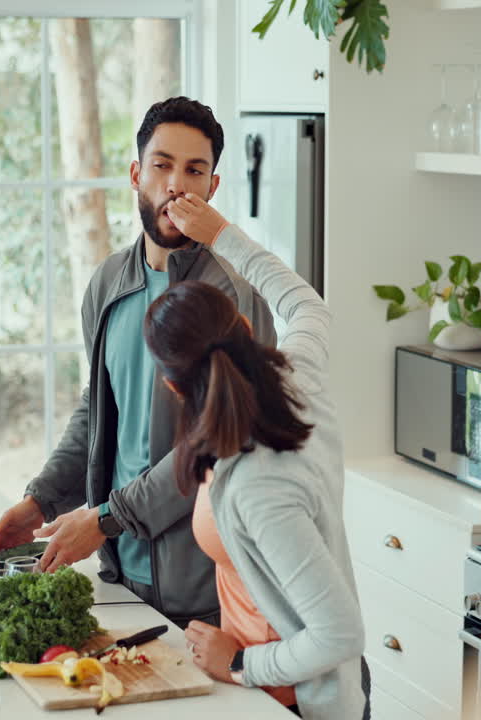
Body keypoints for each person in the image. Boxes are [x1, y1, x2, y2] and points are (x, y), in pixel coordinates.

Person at [0, 97, 276, 628]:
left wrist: (104, 518)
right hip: (121, 576)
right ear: (137, 174)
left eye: (194, 170)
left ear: (213, 189)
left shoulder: (233, 296)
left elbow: (218, 441)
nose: (175, 185)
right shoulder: (107, 285)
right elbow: (98, 409)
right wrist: (42, 500)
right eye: (162, 165)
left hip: (210, 592)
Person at [143, 198, 368, 720]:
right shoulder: (297, 378)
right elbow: (306, 306)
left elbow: (340, 632)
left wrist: (241, 662)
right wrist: (221, 234)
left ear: (173, 386)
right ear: (245, 326)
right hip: (253, 692)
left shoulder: (260, 483)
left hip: (294, 705)